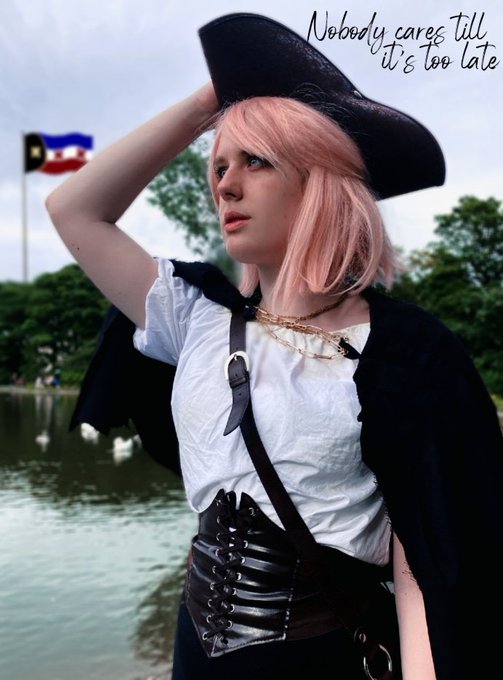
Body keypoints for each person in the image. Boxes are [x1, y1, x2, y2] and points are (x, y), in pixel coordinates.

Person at [46, 12, 502, 680]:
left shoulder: (406, 353)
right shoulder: (196, 318)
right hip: (196, 653)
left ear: (319, 181)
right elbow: (74, 209)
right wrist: (216, 99)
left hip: (324, 659)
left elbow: (426, 564)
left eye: (255, 161)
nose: (224, 185)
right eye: (218, 167)